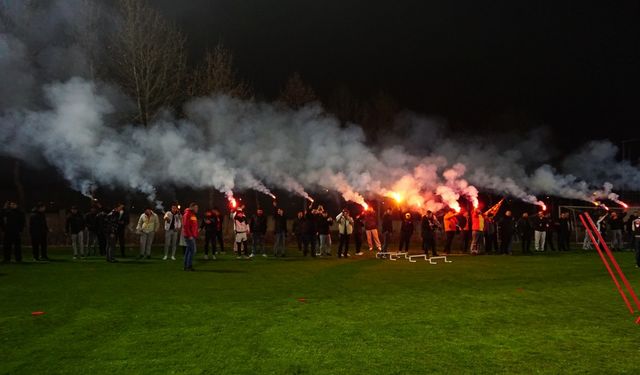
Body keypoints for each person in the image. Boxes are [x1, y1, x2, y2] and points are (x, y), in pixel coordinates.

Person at [182, 202, 199, 271]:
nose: (197, 209)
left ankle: (186, 266)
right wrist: (190, 235)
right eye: (196, 207)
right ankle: (189, 266)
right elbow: (186, 226)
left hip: (192, 235)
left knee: (188, 251)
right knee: (192, 251)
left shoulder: (192, 214)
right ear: (192, 207)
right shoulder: (187, 214)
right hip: (189, 236)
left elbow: (193, 225)